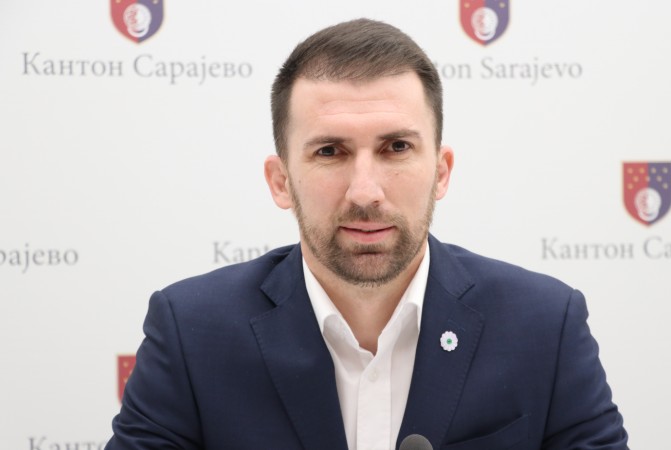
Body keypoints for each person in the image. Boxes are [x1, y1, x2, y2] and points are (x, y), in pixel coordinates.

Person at [105, 18, 628, 450]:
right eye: (329, 151)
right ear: (281, 181)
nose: (365, 191)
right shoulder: (191, 332)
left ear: (441, 172)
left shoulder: (545, 325)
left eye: (396, 148)